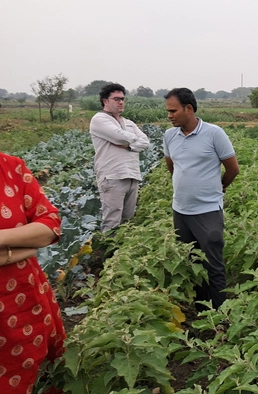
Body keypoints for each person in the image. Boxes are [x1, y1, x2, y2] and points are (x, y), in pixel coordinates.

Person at [162, 88, 240, 310]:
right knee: (191, 262)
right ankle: (202, 310)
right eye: (167, 111)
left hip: (207, 210)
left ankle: (220, 313)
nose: (169, 115)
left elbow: (233, 168)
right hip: (181, 210)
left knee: (213, 263)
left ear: (189, 108)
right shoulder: (169, 136)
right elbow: (172, 165)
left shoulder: (214, 133)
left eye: (173, 111)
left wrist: (220, 186)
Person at [0, 152, 66, 392]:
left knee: (38, 372)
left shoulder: (10, 167)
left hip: (24, 302)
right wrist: (20, 250)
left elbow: (49, 225)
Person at [89, 83, 150, 233]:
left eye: (122, 99)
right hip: (112, 176)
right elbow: (119, 138)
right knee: (112, 222)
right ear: (105, 101)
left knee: (128, 220)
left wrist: (130, 145)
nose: (121, 102)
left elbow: (145, 142)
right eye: (116, 99)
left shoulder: (128, 123)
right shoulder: (99, 119)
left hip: (132, 175)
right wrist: (131, 140)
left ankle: (122, 253)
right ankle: (109, 255)